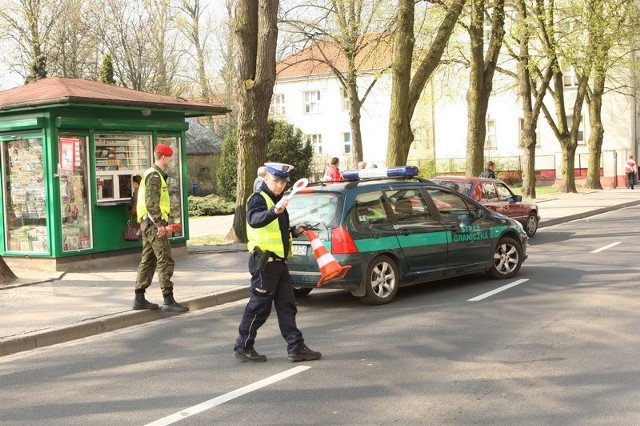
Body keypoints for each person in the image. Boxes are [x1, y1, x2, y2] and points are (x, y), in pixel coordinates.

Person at [234, 162, 322, 363]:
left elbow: (277, 230)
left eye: (283, 182)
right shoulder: (258, 199)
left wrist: (294, 230)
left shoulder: (276, 200)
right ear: (266, 179)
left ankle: (296, 347)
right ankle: (243, 346)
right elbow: (254, 220)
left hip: (279, 263)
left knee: (287, 306)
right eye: (276, 181)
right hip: (265, 264)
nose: (280, 185)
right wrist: (275, 210)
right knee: (259, 308)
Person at [132, 144, 189, 313]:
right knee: (165, 259)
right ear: (164, 157)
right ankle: (168, 299)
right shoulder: (154, 176)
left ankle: (139, 297)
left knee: (148, 259)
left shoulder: (152, 174)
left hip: (147, 223)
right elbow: (151, 203)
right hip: (153, 225)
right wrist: (160, 225)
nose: (171, 160)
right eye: (170, 158)